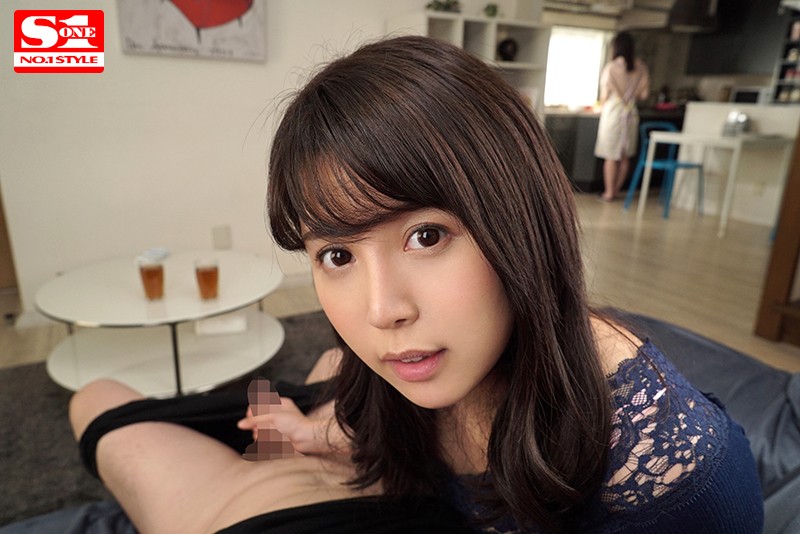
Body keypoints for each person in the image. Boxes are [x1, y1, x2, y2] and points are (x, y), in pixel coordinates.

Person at [266, 35, 762, 533]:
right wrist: (318, 432)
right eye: (337, 255)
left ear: (520, 219)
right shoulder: (414, 356)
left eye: (426, 236)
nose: (382, 310)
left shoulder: (674, 486)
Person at [55, 348, 471, 534]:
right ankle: (282, 430)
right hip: (355, 470)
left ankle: (277, 434)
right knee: (339, 360)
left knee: (95, 395)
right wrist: (315, 433)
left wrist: (314, 433)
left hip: (244, 503)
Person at [594, 31, 650, 202]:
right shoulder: (641, 67)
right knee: (625, 156)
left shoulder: (611, 68)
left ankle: (609, 192)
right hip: (631, 113)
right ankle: (616, 191)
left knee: (611, 154)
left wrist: (602, 103)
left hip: (614, 112)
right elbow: (644, 95)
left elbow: (604, 96)